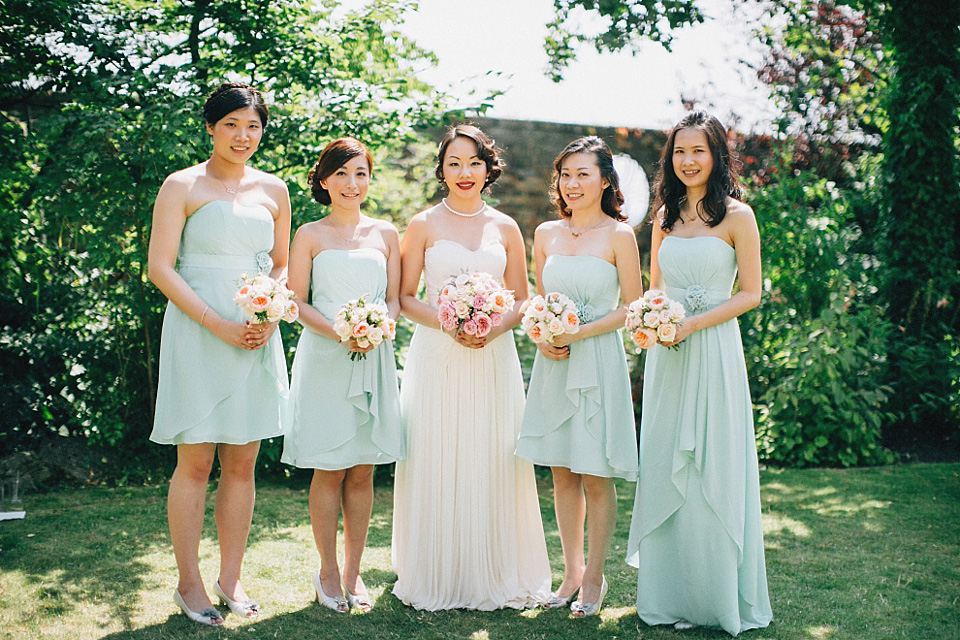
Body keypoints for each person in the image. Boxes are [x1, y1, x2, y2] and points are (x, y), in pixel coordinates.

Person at [147, 82, 291, 626]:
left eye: (252, 126)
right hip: (197, 328)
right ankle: (190, 582)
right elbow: (161, 266)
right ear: (211, 127)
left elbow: (280, 265)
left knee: (242, 461)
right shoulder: (182, 185)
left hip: (254, 333)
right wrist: (216, 323)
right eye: (231, 124)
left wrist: (267, 311)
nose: (242, 135)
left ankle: (231, 577)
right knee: (196, 460)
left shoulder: (274, 190)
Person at [391, 124, 551, 610]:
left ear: (488, 168)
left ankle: (494, 566)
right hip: (437, 355)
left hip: (492, 357)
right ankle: (437, 568)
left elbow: (523, 299)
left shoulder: (505, 228)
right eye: (454, 163)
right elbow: (403, 296)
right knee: (436, 450)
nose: (464, 172)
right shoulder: (421, 225)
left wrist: (493, 328)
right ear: (441, 169)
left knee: (492, 451)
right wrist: (449, 323)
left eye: (474, 163)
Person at [625, 111, 773, 635]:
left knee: (712, 460)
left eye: (699, 151)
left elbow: (750, 293)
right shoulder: (663, 216)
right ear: (670, 158)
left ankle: (716, 597)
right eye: (680, 152)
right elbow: (655, 288)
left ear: (716, 156)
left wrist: (691, 325)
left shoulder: (739, 216)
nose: (688, 161)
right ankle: (670, 593)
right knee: (667, 458)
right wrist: (653, 323)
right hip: (668, 353)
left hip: (713, 348)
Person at [516, 136, 642, 617]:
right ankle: (569, 573)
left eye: (583, 174)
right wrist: (541, 335)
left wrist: (580, 329)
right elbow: (539, 302)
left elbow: (633, 307)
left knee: (594, 471)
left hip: (596, 359)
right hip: (555, 360)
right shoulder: (545, 233)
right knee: (561, 470)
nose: (572, 184)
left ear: (605, 179)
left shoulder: (619, 236)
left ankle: (594, 576)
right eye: (565, 175)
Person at [281, 138, 403, 613]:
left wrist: (377, 327)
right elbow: (296, 301)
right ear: (324, 180)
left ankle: (354, 573)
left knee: (363, 469)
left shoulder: (386, 234)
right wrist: (340, 331)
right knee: (329, 469)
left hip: (373, 355)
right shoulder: (309, 234)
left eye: (361, 173)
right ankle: (327, 571)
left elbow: (394, 298)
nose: (352, 184)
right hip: (325, 357)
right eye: (342, 175)